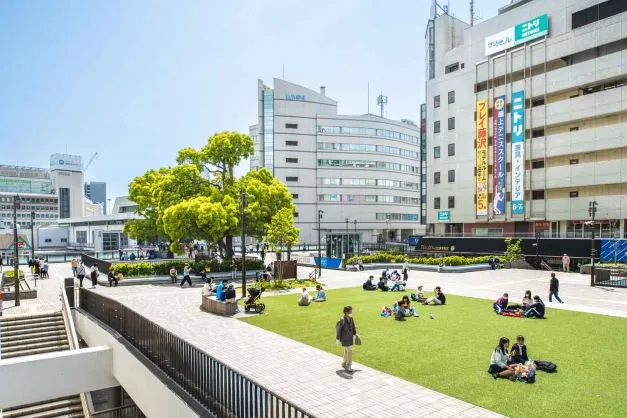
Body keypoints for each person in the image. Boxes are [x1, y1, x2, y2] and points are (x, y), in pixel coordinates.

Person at [336, 306, 358, 372]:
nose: (351, 312)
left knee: (346, 350)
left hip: (350, 338)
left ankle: (344, 363)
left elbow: (353, 327)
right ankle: (349, 366)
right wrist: (338, 339)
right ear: (346, 312)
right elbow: (339, 329)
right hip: (345, 338)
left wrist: (355, 334)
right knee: (350, 351)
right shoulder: (342, 319)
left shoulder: (351, 318)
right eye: (350, 311)